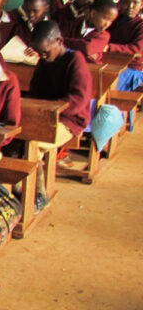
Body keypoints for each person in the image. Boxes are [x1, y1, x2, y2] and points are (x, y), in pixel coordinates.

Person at [28, 20, 92, 208]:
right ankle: (19, 190)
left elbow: (78, 100)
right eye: (39, 53)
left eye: (45, 52)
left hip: (69, 120)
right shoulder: (43, 62)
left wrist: (50, 109)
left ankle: (39, 193)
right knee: (16, 141)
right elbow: (35, 91)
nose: (42, 56)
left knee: (32, 145)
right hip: (43, 116)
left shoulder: (75, 61)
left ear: (59, 41)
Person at [107, 0, 143, 91]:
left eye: (135, 3)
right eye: (126, 2)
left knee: (106, 88)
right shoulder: (113, 21)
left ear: (141, 5)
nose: (130, 6)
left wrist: (109, 47)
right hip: (109, 64)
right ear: (120, 2)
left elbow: (137, 49)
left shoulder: (140, 25)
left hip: (131, 70)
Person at [64, 0, 117, 64]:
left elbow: (87, 48)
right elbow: (58, 40)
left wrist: (65, 42)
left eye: (111, 21)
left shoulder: (104, 35)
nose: (107, 24)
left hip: (89, 69)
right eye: (105, 18)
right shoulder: (74, 23)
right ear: (93, 13)